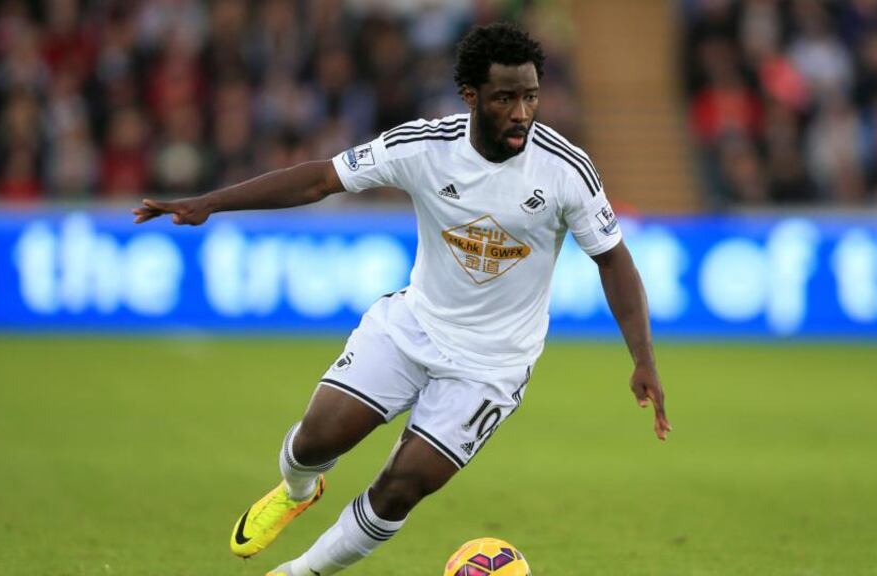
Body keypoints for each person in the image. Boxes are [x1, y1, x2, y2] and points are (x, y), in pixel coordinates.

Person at [133, 22, 670, 576]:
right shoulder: (423, 147)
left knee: (400, 488)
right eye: (505, 98)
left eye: (530, 96)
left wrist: (643, 358)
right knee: (314, 440)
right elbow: (320, 180)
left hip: (493, 365)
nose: (521, 113)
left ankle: (297, 573)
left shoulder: (565, 170)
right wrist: (210, 204)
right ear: (471, 97)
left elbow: (614, 260)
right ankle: (297, 490)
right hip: (412, 326)